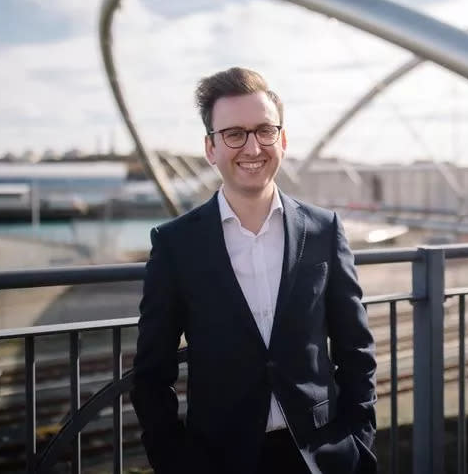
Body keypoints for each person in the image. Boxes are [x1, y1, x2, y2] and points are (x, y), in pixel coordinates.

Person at [130, 67, 377, 474]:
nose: (252, 147)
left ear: (281, 139)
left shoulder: (323, 230)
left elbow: (355, 351)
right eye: (234, 134)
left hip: (321, 456)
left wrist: (357, 441)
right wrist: (175, 462)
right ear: (211, 148)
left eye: (264, 131)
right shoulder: (176, 244)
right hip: (219, 459)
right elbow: (152, 374)